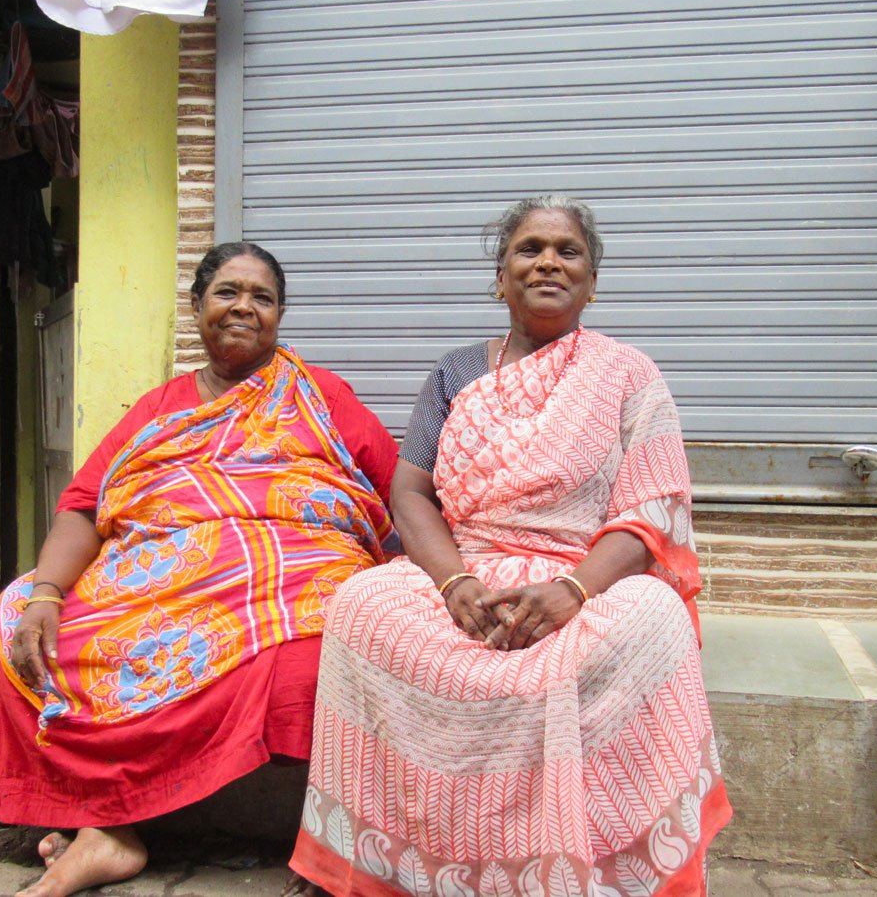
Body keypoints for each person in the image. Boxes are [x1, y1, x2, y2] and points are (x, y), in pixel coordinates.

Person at [288, 196, 731, 897]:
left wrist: (570, 592)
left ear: (592, 282)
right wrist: (453, 584)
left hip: (578, 580)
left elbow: (652, 510)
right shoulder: (457, 371)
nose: (548, 261)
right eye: (529, 249)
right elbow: (411, 494)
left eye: (568, 251)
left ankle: (610, 868)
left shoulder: (629, 374)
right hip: (467, 574)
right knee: (361, 603)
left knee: (656, 616)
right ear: (501, 278)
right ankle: (387, 864)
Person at [0, 242, 399, 897]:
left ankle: (113, 830)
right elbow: (86, 507)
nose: (244, 307)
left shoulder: (320, 395)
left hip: (294, 571)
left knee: (309, 655)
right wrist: (49, 592)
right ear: (197, 306)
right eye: (228, 291)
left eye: (262, 297)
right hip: (161, 576)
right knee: (17, 619)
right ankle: (104, 831)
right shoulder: (158, 409)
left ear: (280, 316)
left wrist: (437, 579)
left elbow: (400, 488)